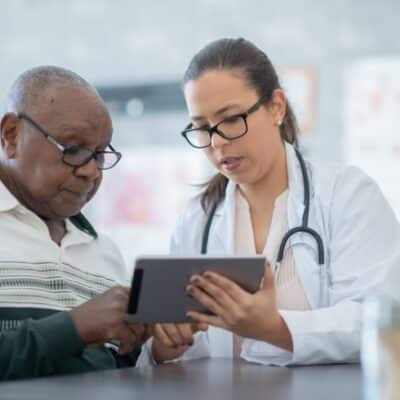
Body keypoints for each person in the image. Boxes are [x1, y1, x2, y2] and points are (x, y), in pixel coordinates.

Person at [137, 38, 400, 366]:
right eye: (201, 128)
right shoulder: (198, 219)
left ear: (276, 106)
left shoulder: (347, 196)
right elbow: (188, 351)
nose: (217, 141)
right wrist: (166, 347)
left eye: (231, 119)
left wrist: (274, 328)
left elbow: (379, 320)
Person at [0, 66, 146, 380]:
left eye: (100, 155)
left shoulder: (105, 252)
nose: (90, 171)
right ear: (11, 135)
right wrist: (72, 328)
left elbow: (112, 371)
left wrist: (151, 352)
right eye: (74, 149)